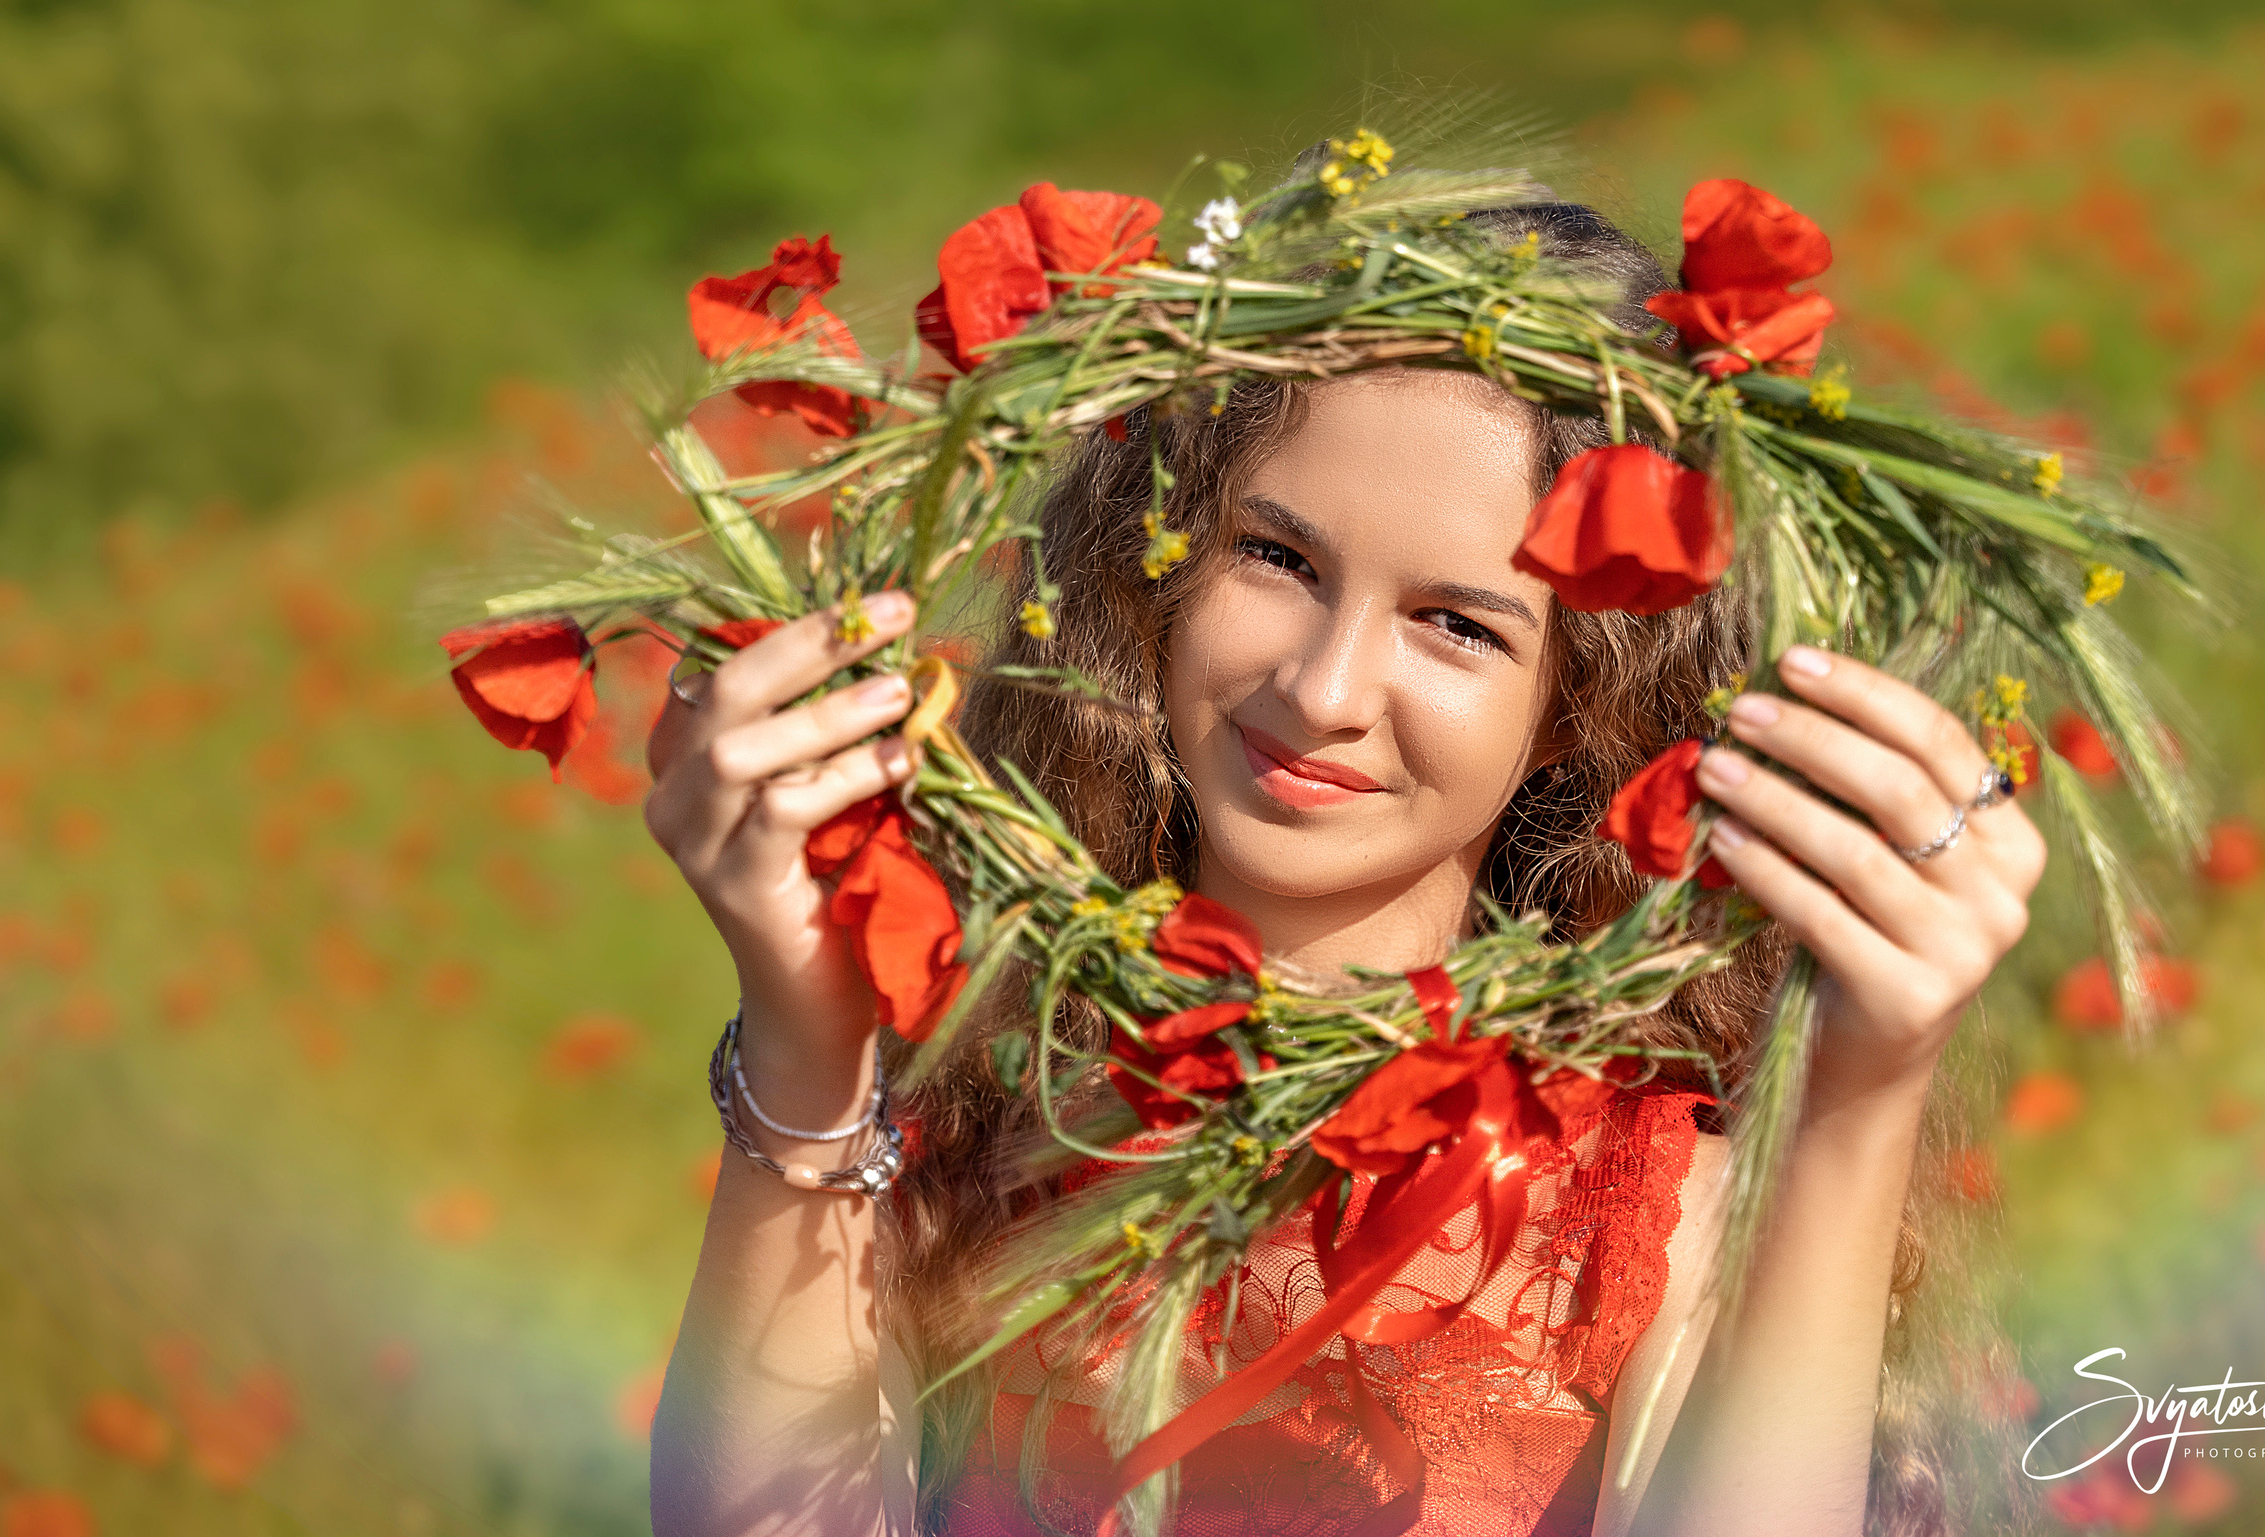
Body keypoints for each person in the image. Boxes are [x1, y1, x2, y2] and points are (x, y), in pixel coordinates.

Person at [640, 203, 2046, 1537]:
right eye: (1278, 557)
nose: (1323, 688)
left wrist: (1860, 1091)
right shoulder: (955, 1135)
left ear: (1581, 700)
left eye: (1456, 625)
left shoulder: (1653, 1223)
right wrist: (808, 1032)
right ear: (1159, 563)